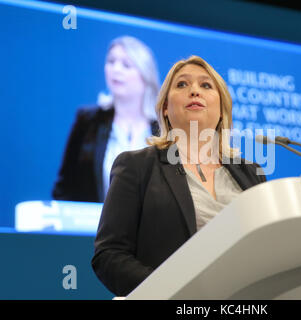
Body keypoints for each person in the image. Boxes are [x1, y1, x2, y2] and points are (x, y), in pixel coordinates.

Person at [91, 55, 267, 296]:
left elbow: (266, 251)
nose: (195, 91)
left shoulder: (252, 174)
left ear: (222, 109)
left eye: (206, 85)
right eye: (182, 84)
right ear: (164, 108)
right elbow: (109, 255)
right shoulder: (136, 166)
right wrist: (172, 292)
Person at [52, 36, 160, 203]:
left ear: (145, 75)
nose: (116, 69)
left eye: (126, 65)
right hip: (95, 227)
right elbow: (64, 189)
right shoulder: (88, 121)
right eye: (111, 61)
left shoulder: (164, 129)